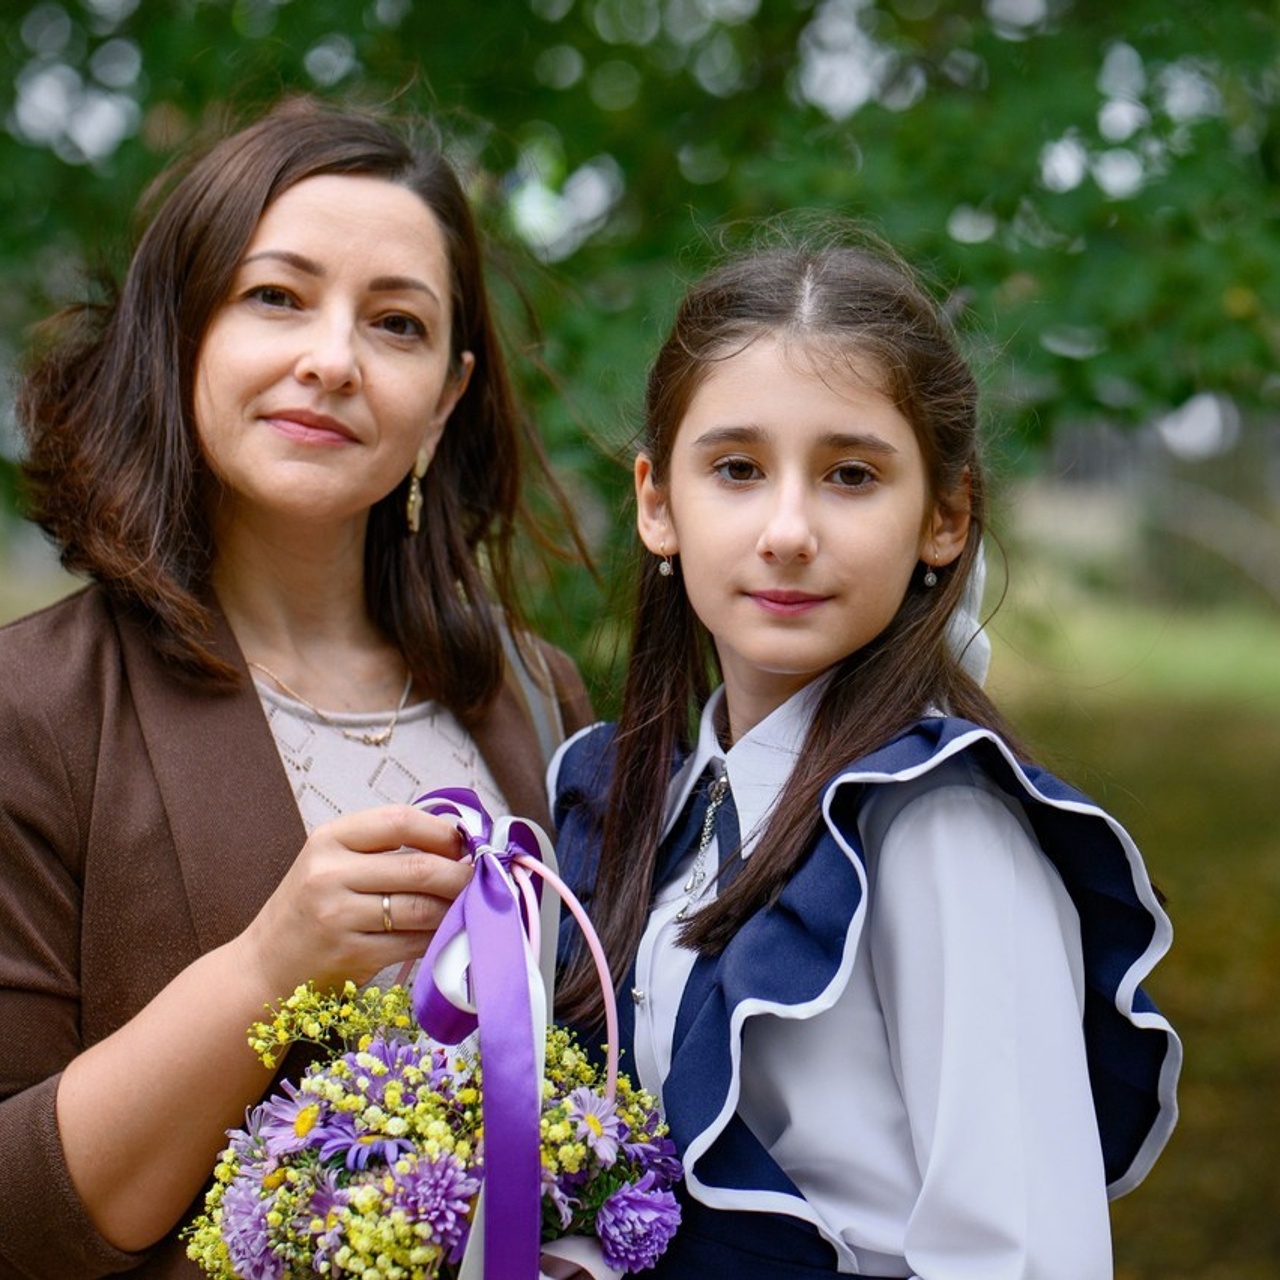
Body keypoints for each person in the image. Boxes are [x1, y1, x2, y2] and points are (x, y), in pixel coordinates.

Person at [0, 97, 592, 1278]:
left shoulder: (534, 695)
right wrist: (268, 967)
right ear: (181, 333)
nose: (332, 358)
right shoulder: (34, 707)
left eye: (395, 323)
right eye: (276, 296)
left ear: (446, 394)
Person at [551, 233, 1180, 1278]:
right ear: (656, 501)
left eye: (849, 474)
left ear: (943, 515)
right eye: (737, 468)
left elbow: (1021, 1254)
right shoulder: (622, 797)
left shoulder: (940, 826)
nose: (787, 528)